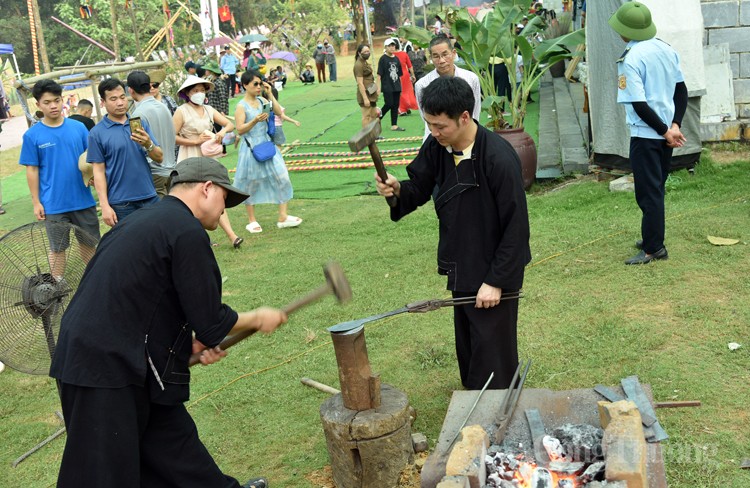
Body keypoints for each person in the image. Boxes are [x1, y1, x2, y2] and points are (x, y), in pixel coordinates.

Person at [49, 156, 282, 488]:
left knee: (172, 446)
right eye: (224, 200)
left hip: (116, 355)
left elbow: (144, 298)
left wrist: (184, 345)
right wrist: (258, 318)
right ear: (206, 188)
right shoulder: (185, 230)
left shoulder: (144, 221)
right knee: (101, 473)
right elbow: (211, 322)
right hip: (102, 366)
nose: (223, 210)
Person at [374, 76, 531, 390]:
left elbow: (517, 228)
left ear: (464, 117)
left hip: (493, 267)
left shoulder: (498, 158)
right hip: (462, 259)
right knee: (470, 342)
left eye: (440, 126)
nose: (434, 132)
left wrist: (495, 282)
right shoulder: (438, 146)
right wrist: (396, 190)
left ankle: (496, 407)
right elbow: (418, 187)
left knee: (492, 347)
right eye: (429, 124)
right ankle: (475, 397)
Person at [609, 1, 687, 265]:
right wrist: (674, 125)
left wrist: (665, 131)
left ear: (626, 30)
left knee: (648, 192)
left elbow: (639, 104)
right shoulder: (666, 48)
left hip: (646, 135)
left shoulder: (630, 58)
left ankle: (654, 248)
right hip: (666, 134)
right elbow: (681, 91)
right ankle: (652, 237)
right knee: (657, 188)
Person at [19, 79, 100, 278]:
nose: (53, 106)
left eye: (56, 100)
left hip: (82, 199)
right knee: (57, 248)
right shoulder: (32, 135)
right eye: (47, 102)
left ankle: (96, 279)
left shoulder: (78, 128)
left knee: (89, 243)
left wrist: (91, 177)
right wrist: (36, 201)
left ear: (62, 100)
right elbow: (32, 170)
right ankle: (56, 286)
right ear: (38, 105)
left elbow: (89, 159)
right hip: (53, 203)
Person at [173, 75, 243, 249]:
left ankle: (232, 236)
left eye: (202, 90)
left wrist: (220, 133)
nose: (199, 93)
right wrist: (195, 141)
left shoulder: (209, 109)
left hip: (208, 156)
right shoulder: (181, 111)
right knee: (193, 198)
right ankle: (200, 237)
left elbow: (229, 125)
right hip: (189, 156)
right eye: (195, 90)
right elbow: (172, 137)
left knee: (215, 194)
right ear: (187, 93)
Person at [234, 70, 302, 233]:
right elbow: (240, 129)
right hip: (251, 147)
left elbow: (279, 113)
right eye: (255, 84)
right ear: (245, 85)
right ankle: (252, 220)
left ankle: (283, 216)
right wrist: (255, 120)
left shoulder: (262, 99)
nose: (259, 87)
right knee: (251, 182)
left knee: (282, 176)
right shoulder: (241, 106)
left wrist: (270, 94)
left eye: (260, 83)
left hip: (267, 145)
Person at [88, 78, 162, 227]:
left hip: (149, 196)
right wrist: (105, 206)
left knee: (158, 241)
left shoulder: (139, 124)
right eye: (113, 99)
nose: (120, 103)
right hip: (121, 203)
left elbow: (159, 157)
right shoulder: (97, 133)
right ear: (103, 102)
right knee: (131, 247)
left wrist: (148, 143)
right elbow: (98, 172)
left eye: (122, 97)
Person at [415, 35, 481, 140]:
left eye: (445, 54)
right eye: (436, 56)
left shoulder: (471, 79)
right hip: (436, 139)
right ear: (431, 58)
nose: (441, 61)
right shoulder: (422, 85)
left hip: (466, 138)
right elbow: (426, 116)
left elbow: (475, 112)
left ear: (454, 53)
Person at [128, 71, 177, 198]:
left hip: (155, 173)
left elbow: (136, 146)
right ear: (149, 87)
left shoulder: (136, 115)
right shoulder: (163, 107)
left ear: (130, 90)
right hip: (172, 169)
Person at [203, 61, 231, 157]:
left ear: (211, 71)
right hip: (212, 110)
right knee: (215, 131)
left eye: (207, 70)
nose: (205, 71)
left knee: (218, 131)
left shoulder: (219, 82)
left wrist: (223, 111)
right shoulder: (212, 82)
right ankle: (219, 150)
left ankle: (222, 151)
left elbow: (223, 97)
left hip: (219, 111)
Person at [377, 38, 405, 132]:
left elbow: (399, 74)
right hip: (387, 86)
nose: (392, 47)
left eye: (393, 45)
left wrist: (400, 87)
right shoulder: (383, 59)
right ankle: (377, 119)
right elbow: (379, 74)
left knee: (395, 105)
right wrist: (377, 87)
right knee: (388, 104)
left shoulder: (396, 59)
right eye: (389, 46)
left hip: (396, 86)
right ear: (386, 47)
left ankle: (394, 125)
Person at [353, 44, 379, 128]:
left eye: (368, 51)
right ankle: (366, 137)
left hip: (371, 91)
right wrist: (365, 98)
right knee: (366, 116)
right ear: (359, 53)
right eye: (365, 52)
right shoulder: (358, 65)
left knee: (374, 114)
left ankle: (373, 135)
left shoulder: (364, 62)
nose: (367, 53)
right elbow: (360, 83)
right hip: (365, 94)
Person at [392, 38, 418, 116]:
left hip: (396, 75)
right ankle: (407, 107)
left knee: (399, 92)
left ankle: (402, 109)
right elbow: (410, 66)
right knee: (407, 91)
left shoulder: (391, 56)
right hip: (405, 74)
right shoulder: (404, 54)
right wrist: (413, 75)